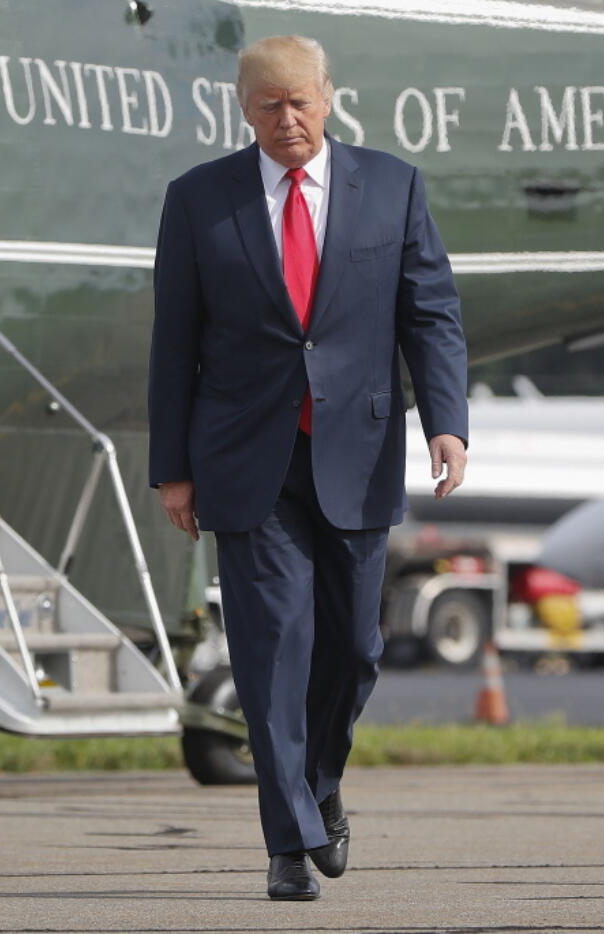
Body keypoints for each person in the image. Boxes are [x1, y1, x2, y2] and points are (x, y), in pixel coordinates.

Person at [148, 34, 468, 901]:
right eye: (267, 106)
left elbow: (429, 313)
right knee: (271, 651)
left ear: (328, 97)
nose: (285, 120)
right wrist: (172, 468)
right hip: (246, 461)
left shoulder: (392, 186)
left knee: (356, 650)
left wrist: (447, 423)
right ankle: (287, 842)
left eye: (299, 102)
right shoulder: (198, 200)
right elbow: (174, 345)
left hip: (358, 452)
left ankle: (319, 783)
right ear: (243, 109)